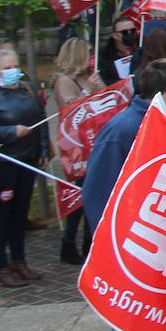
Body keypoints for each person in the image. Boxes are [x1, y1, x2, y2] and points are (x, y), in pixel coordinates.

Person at [83, 59, 166, 331]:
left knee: (158, 321)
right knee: (125, 330)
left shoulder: (157, 123)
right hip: (129, 246)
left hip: (158, 240)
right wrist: (115, 245)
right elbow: (97, 193)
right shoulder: (123, 129)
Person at [0, 46, 48, 288]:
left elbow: (41, 119)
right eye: (6, 68)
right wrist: (9, 132)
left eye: (15, 66)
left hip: (27, 159)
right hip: (2, 162)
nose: (13, 71)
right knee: (0, 216)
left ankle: (19, 260)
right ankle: (1, 265)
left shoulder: (27, 88)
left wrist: (43, 149)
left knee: (19, 214)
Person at [50, 38, 102, 265]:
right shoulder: (64, 80)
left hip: (91, 142)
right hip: (75, 148)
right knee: (79, 195)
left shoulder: (86, 76)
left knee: (90, 193)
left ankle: (89, 243)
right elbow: (71, 110)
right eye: (88, 52)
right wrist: (88, 90)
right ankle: (69, 244)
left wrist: (98, 86)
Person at [98, 18, 139, 86]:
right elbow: (105, 78)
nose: (129, 34)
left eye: (132, 31)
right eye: (125, 32)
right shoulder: (105, 55)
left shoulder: (142, 48)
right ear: (115, 35)